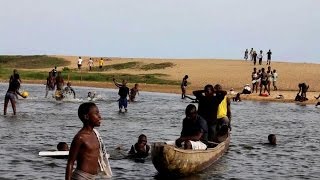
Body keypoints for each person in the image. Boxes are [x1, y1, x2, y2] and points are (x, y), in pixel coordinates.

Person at [66, 102, 112, 180]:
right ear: (87, 116)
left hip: (93, 177)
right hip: (81, 177)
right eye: (96, 113)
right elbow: (70, 163)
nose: (100, 116)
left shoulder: (95, 134)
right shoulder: (80, 138)